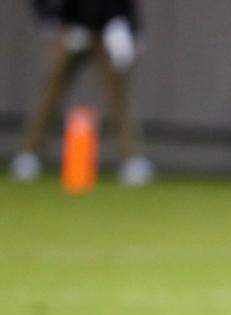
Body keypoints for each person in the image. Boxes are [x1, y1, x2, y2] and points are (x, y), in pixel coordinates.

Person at [10, 0, 152, 185]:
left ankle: (132, 159)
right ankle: (29, 155)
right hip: (70, 27)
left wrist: (131, 28)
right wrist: (51, 19)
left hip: (108, 30)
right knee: (50, 93)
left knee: (119, 97)